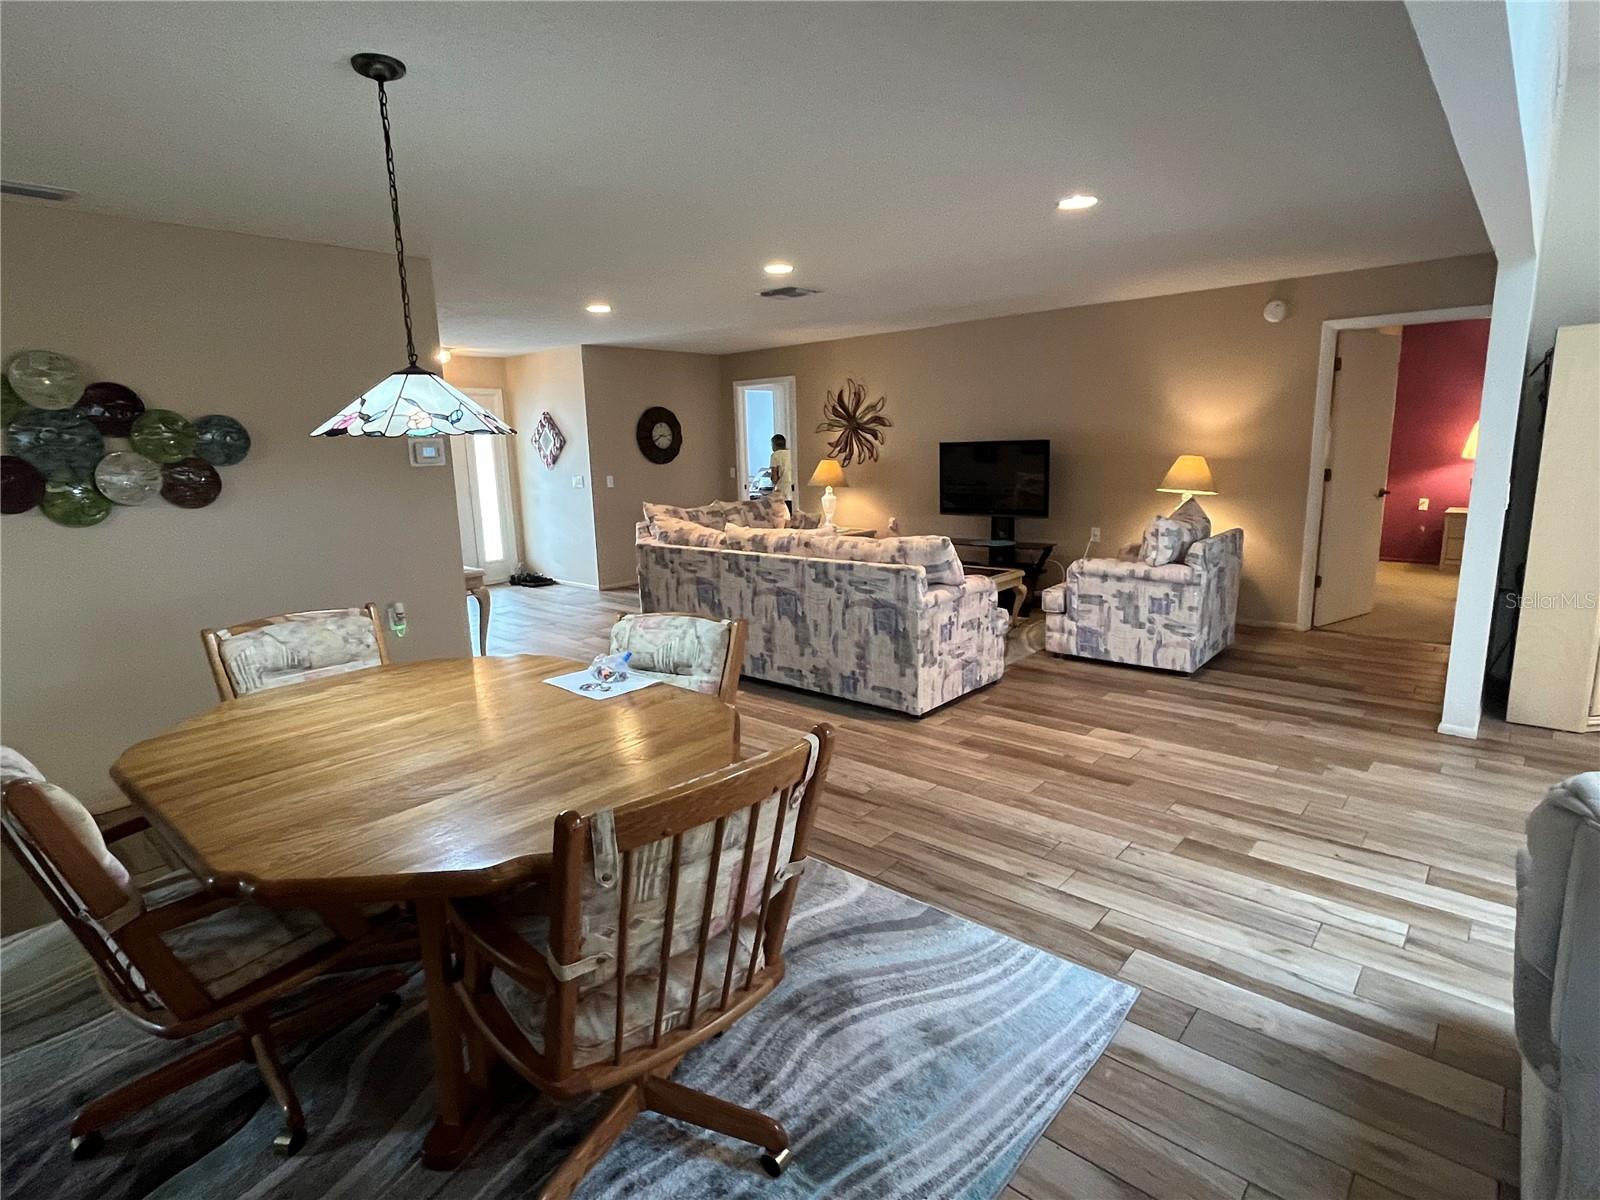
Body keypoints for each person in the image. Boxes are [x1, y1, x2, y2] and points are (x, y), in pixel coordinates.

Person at [769, 434, 792, 499]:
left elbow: (775, 477)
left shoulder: (775, 455)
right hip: (792, 487)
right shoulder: (791, 453)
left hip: (782, 488)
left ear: (774, 445)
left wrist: (772, 480)